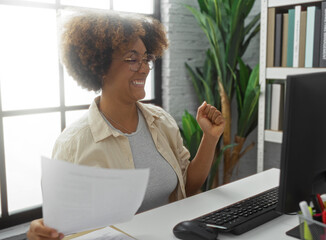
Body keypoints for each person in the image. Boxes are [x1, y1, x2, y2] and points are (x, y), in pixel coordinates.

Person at [27, 10, 225, 240]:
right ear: (100, 67)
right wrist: (39, 234)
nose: (143, 68)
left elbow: (187, 187)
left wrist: (210, 138)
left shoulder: (161, 121)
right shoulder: (73, 144)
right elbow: (58, 229)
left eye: (146, 58)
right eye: (132, 59)